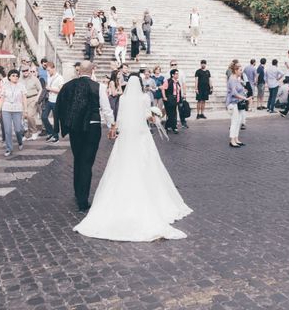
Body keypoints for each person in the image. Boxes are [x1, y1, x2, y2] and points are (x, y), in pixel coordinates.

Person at [73, 75, 192, 241]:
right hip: (142, 136)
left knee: (121, 166)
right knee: (148, 165)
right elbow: (145, 115)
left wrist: (114, 128)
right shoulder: (144, 97)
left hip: (126, 137)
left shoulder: (123, 98)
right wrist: (153, 116)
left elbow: (120, 118)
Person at [55, 61, 116, 212]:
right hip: (93, 126)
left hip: (75, 129)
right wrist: (111, 126)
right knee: (87, 162)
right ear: (92, 70)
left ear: (79, 71)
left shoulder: (68, 86)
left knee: (78, 159)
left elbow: (60, 105)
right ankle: (83, 199)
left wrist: (64, 125)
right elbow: (106, 109)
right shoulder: (99, 87)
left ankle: (78, 193)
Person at [0, 70, 27, 157]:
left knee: (18, 129)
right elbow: (2, 99)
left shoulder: (21, 86)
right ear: (9, 77)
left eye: (17, 76)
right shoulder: (4, 86)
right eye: (13, 75)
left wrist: (25, 110)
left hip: (17, 109)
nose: (15, 77)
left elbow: (24, 98)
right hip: (6, 109)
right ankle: (9, 148)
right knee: (8, 130)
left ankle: (20, 141)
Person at [226, 61, 249, 148]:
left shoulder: (236, 79)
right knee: (234, 122)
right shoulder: (232, 79)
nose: (241, 72)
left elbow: (239, 90)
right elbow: (234, 93)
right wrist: (244, 98)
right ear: (235, 70)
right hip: (232, 103)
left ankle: (236, 139)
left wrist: (244, 91)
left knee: (238, 121)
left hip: (237, 103)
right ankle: (232, 140)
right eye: (240, 70)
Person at [42, 62, 64, 143]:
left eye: (49, 70)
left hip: (56, 101)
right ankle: (50, 132)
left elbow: (61, 90)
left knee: (56, 119)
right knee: (43, 116)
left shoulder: (60, 78)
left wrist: (50, 88)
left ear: (53, 68)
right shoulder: (49, 76)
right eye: (47, 70)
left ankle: (56, 136)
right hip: (49, 100)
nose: (48, 72)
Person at [21, 67, 42, 140]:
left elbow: (40, 89)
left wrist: (37, 98)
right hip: (23, 99)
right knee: (25, 117)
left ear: (29, 70)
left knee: (30, 115)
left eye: (26, 70)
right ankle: (28, 133)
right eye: (23, 70)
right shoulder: (20, 79)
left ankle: (34, 131)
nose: (25, 71)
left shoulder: (34, 79)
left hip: (33, 98)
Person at [162, 69, 182, 134]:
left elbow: (179, 91)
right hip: (169, 99)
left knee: (173, 114)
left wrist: (180, 100)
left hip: (176, 100)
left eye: (178, 73)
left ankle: (167, 126)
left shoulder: (177, 82)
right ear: (172, 75)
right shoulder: (168, 81)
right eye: (176, 74)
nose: (177, 75)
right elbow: (163, 89)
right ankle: (174, 128)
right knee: (171, 114)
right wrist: (164, 97)